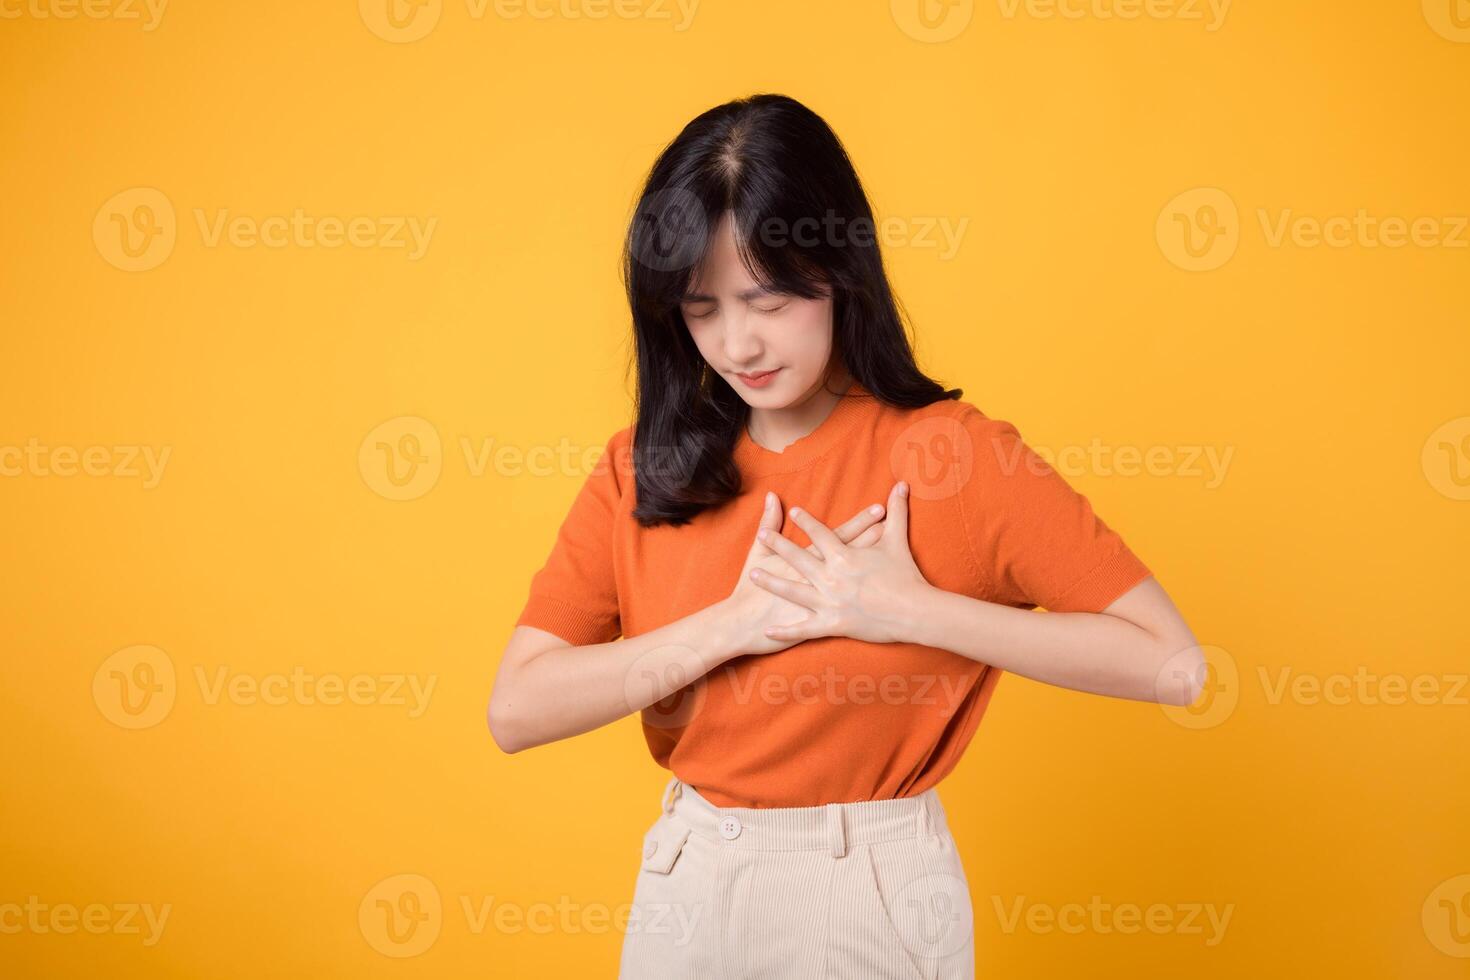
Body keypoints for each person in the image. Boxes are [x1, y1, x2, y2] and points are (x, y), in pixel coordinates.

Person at [488, 92, 1203, 979]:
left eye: (768, 297)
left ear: (838, 272)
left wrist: (913, 610)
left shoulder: (951, 456)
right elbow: (516, 711)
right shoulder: (642, 466)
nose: (737, 342)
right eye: (702, 307)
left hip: (865, 880)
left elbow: (1175, 664)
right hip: (690, 875)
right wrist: (737, 624)